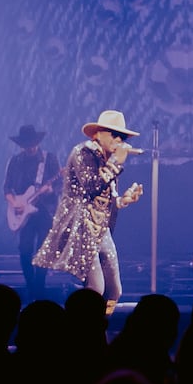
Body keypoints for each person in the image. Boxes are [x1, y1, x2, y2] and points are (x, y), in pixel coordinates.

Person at [32, 109, 146, 315]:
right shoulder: (83, 153)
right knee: (96, 289)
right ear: (97, 134)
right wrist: (116, 162)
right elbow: (91, 186)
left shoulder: (107, 158)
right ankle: (81, 329)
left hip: (101, 230)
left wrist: (122, 200)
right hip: (81, 226)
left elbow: (102, 199)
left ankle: (99, 327)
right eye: (115, 134)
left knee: (114, 291)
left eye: (123, 137)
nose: (120, 140)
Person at [2, 123, 60, 303]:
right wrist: (15, 203)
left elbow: (59, 184)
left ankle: (39, 287)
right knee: (25, 250)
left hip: (44, 212)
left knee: (43, 252)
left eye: (33, 143)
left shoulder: (49, 159)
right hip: (23, 213)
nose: (31, 147)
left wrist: (51, 190)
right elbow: (7, 188)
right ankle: (31, 285)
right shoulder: (15, 161)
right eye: (27, 144)